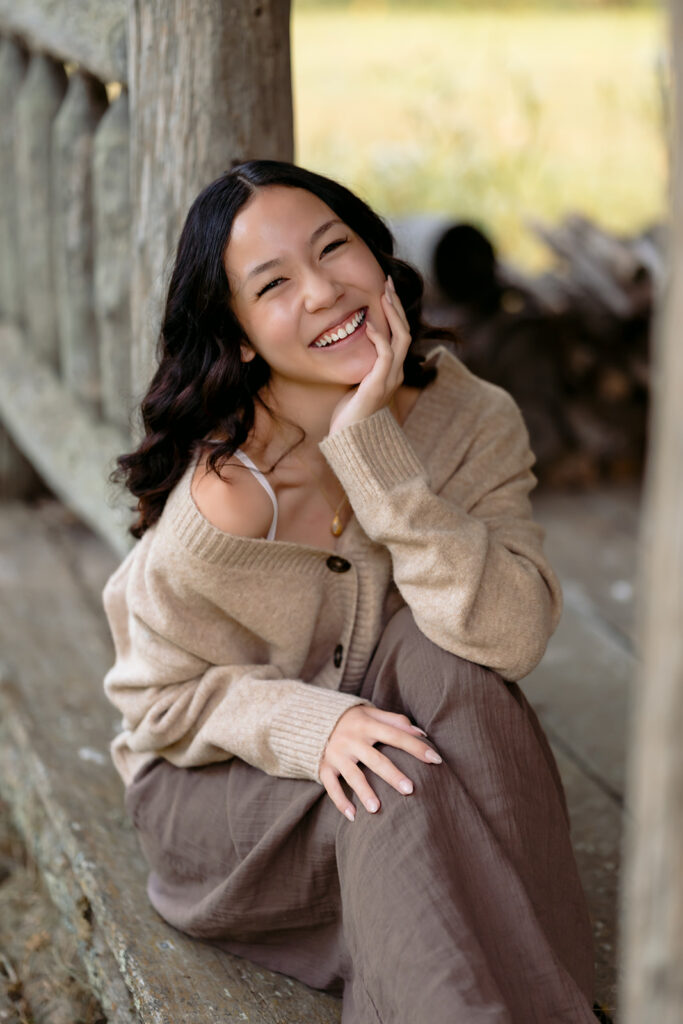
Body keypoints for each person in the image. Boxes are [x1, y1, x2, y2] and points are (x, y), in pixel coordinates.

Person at [102, 159, 597, 1023]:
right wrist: (312, 724)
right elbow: (157, 706)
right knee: (393, 789)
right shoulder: (225, 496)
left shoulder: (470, 419)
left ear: (377, 254)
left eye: (334, 248)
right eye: (274, 284)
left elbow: (511, 636)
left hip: (393, 726)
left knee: (457, 671)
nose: (324, 290)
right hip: (216, 790)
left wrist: (376, 459)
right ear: (240, 336)